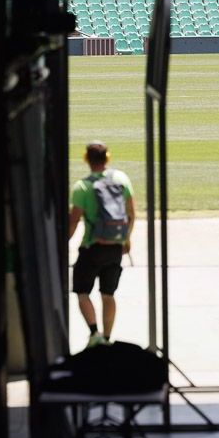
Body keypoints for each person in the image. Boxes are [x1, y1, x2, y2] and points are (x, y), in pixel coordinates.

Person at [68, 140, 135, 348]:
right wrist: (125, 239)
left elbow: (74, 221)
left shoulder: (82, 187)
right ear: (107, 158)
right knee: (108, 294)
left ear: (86, 159)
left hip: (92, 247)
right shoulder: (122, 179)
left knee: (82, 292)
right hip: (115, 247)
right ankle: (107, 338)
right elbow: (131, 215)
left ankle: (94, 332)